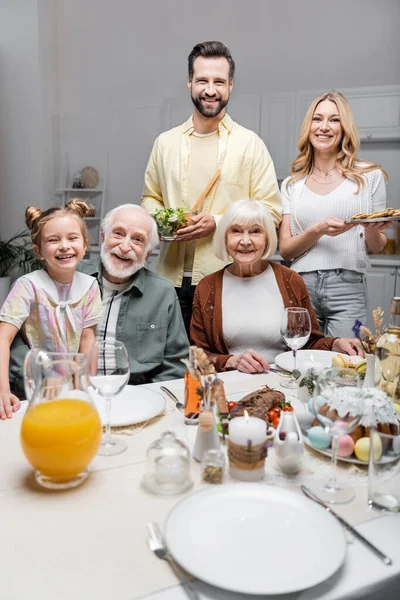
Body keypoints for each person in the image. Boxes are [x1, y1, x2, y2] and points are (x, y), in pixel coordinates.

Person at [142, 40, 282, 332]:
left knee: (223, 368)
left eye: (219, 81)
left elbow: (271, 212)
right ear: (190, 82)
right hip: (169, 280)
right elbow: (150, 198)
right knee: (176, 370)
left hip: (228, 278)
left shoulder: (250, 144)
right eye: (202, 80)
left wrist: (218, 223)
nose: (210, 89)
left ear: (230, 85)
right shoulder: (164, 143)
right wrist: (167, 221)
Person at [190, 199, 362, 373]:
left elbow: (308, 343)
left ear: (267, 237)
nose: (245, 241)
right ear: (225, 238)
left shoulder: (290, 280)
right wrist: (232, 361)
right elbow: (197, 356)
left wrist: (335, 344)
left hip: (283, 381)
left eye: (255, 231)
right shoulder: (207, 287)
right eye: (236, 231)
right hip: (230, 385)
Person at [279, 91, 390, 338]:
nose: (324, 127)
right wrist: (317, 229)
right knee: (300, 364)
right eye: (318, 119)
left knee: (346, 366)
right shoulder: (291, 185)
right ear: (309, 126)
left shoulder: (369, 176)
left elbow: (377, 246)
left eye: (334, 120)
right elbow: (286, 250)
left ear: (345, 127)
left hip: (348, 286)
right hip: (301, 284)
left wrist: (372, 230)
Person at [0, 200, 103, 419]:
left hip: (73, 389)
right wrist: (3, 391)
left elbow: (87, 340)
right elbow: (3, 338)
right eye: (53, 240)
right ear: (39, 250)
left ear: (85, 245)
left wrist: (84, 389)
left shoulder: (90, 286)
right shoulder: (28, 286)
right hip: (35, 388)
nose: (64, 245)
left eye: (72, 238)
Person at [77, 204, 189, 384]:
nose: (125, 246)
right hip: (76, 390)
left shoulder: (163, 293)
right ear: (103, 236)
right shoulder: (72, 278)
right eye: (118, 234)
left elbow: (175, 364)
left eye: (138, 240)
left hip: (137, 394)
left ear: (147, 253)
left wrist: (151, 397)